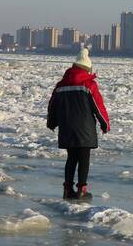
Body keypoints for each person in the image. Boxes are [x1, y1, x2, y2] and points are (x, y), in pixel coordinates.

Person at [47, 48, 110, 199]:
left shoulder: (61, 85)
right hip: (85, 129)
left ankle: (67, 190)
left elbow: (52, 106)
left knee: (71, 158)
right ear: (86, 68)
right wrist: (105, 123)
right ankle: (82, 190)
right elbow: (98, 106)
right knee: (84, 159)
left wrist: (52, 122)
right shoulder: (89, 85)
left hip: (67, 129)